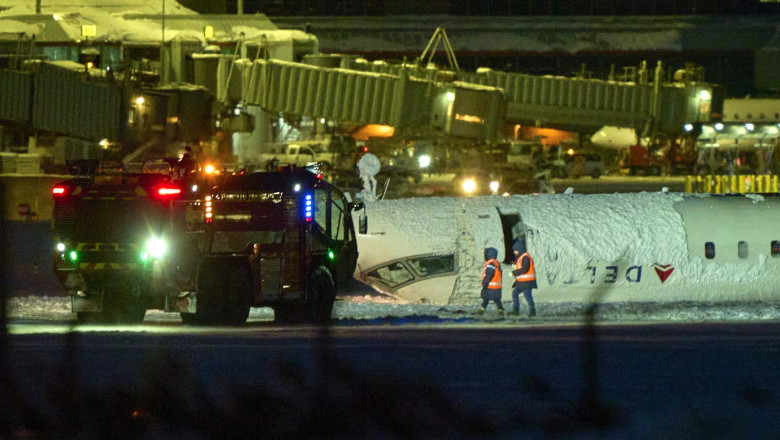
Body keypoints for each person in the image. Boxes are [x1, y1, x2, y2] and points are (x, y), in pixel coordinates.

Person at [509, 238, 537, 317]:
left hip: (527, 281)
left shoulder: (525, 257)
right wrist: (516, 282)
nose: (514, 252)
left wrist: (513, 273)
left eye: (515, 250)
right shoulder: (521, 257)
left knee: (526, 295)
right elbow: (521, 272)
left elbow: (524, 269)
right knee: (518, 294)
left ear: (519, 249)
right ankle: (517, 311)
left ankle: (531, 311)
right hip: (523, 281)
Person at [478, 247, 504, 317]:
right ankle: (501, 311)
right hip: (497, 287)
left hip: (490, 286)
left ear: (489, 254)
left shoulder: (491, 264)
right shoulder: (496, 263)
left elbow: (489, 275)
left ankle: (481, 311)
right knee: (497, 300)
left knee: (486, 299)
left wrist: (485, 285)